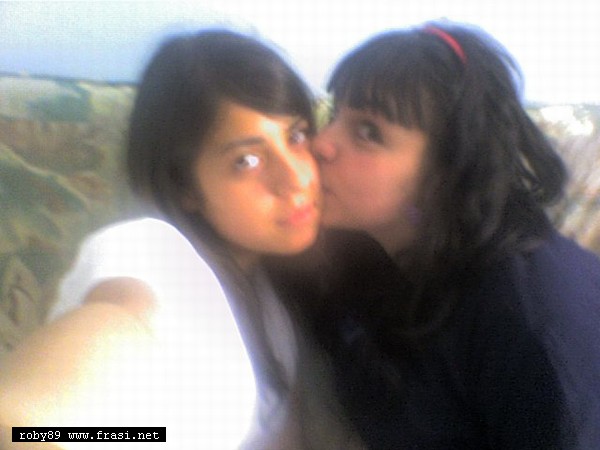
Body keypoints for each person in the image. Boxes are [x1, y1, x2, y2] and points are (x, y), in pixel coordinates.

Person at [0, 29, 363, 449]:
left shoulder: (273, 297)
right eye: (246, 160)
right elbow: (31, 427)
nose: (296, 179)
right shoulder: (153, 254)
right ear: (184, 187)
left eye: (296, 136)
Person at [306, 20, 600, 449]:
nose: (320, 143)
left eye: (369, 132)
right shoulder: (366, 252)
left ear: (448, 172)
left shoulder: (527, 326)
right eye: (334, 114)